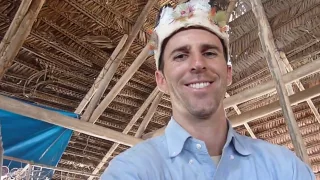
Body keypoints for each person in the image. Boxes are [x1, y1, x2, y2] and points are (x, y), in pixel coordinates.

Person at [101, 0, 315, 179]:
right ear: (161, 80)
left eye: (210, 53)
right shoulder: (131, 172)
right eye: (180, 56)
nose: (197, 64)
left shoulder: (285, 169)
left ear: (228, 72)